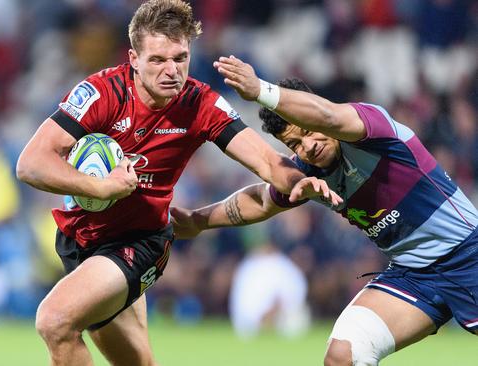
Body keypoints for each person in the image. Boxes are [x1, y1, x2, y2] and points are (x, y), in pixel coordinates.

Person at [16, 1, 341, 364]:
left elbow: (267, 161)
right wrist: (101, 187)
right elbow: (31, 164)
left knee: (55, 321)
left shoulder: (200, 103)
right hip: (81, 239)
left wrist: (303, 179)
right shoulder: (102, 92)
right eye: (157, 60)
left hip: (140, 242)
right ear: (133, 58)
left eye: (180, 58)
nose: (171, 70)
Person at [171, 55, 478, 365]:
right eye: (295, 144)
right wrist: (199, 221)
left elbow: (330, 117)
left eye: (308, 131)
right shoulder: (308, 174)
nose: (308, 146)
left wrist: (261, 89)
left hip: (468, 254)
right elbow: (260, 201)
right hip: (413, 276)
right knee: (342, 356)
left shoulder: (370, 127)